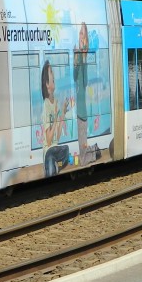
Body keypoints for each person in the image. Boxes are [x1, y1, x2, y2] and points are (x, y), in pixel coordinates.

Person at [40, 60, 73, 177]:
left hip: (56, 149)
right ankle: (51, 165)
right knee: (52, 155)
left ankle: (54, 165)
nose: (53, 73)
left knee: (66, 149)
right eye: (51, 72)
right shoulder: (46, 105)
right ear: (47, 84)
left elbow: (57, 137)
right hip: (49, 151)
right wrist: (55, 119)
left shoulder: (56, 103)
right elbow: (48, 141)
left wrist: (62, 113)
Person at [73, 23, 91, 164]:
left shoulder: (84, 58)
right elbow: (75, 78)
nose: (81, 37)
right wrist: (76, 60)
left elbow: (84, 82)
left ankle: (86, 157)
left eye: (83, 34)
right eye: (80, 33)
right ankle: (84, 157)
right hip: (78, 109)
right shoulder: (78, 55)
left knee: (82, 145)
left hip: (82, 111)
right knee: (80, 144)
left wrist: (82, 57)